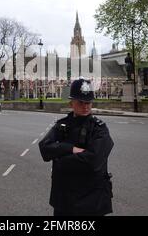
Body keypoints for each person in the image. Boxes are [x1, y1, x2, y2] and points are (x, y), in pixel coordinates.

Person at [39, 78, 114, 216]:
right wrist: (69, 149)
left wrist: (60, 160)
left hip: (91, 201)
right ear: (71, 103)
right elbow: (44, 147)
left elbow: (93, 161)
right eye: (81, 102)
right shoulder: (62, 125)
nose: (85, 106)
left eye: (88, 102)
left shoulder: (99, 129)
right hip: (64, 199)